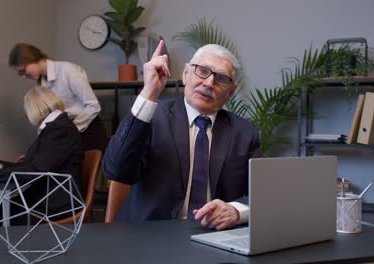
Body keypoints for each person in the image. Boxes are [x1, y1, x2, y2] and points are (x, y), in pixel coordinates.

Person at [102, 41, 263, 230]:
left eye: (220, 79)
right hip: (149, 235)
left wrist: (235, 212)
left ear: (231, 92)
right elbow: (116, 170)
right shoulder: (151, 116)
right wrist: (149, 92)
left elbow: (264, 192)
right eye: (202, 71)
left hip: (213, 236)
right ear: (186, 74)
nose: (209, 83)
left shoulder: (244, 132)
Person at [0, 86, 84, 223]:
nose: (26, 116)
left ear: (33, 109)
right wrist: (0, 166)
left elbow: (36, 171)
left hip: (54, 204)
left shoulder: (59, 129)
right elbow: (35, 165)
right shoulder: (57, 127)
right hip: (45, 198)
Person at [8, 43, 107, 151]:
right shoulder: (42, 83)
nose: (23, 77)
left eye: (23, 71)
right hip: (66, 133)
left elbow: (93, 106)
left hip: (88, 131)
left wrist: (71, 129)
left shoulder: (68, 70)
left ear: (31, 59)